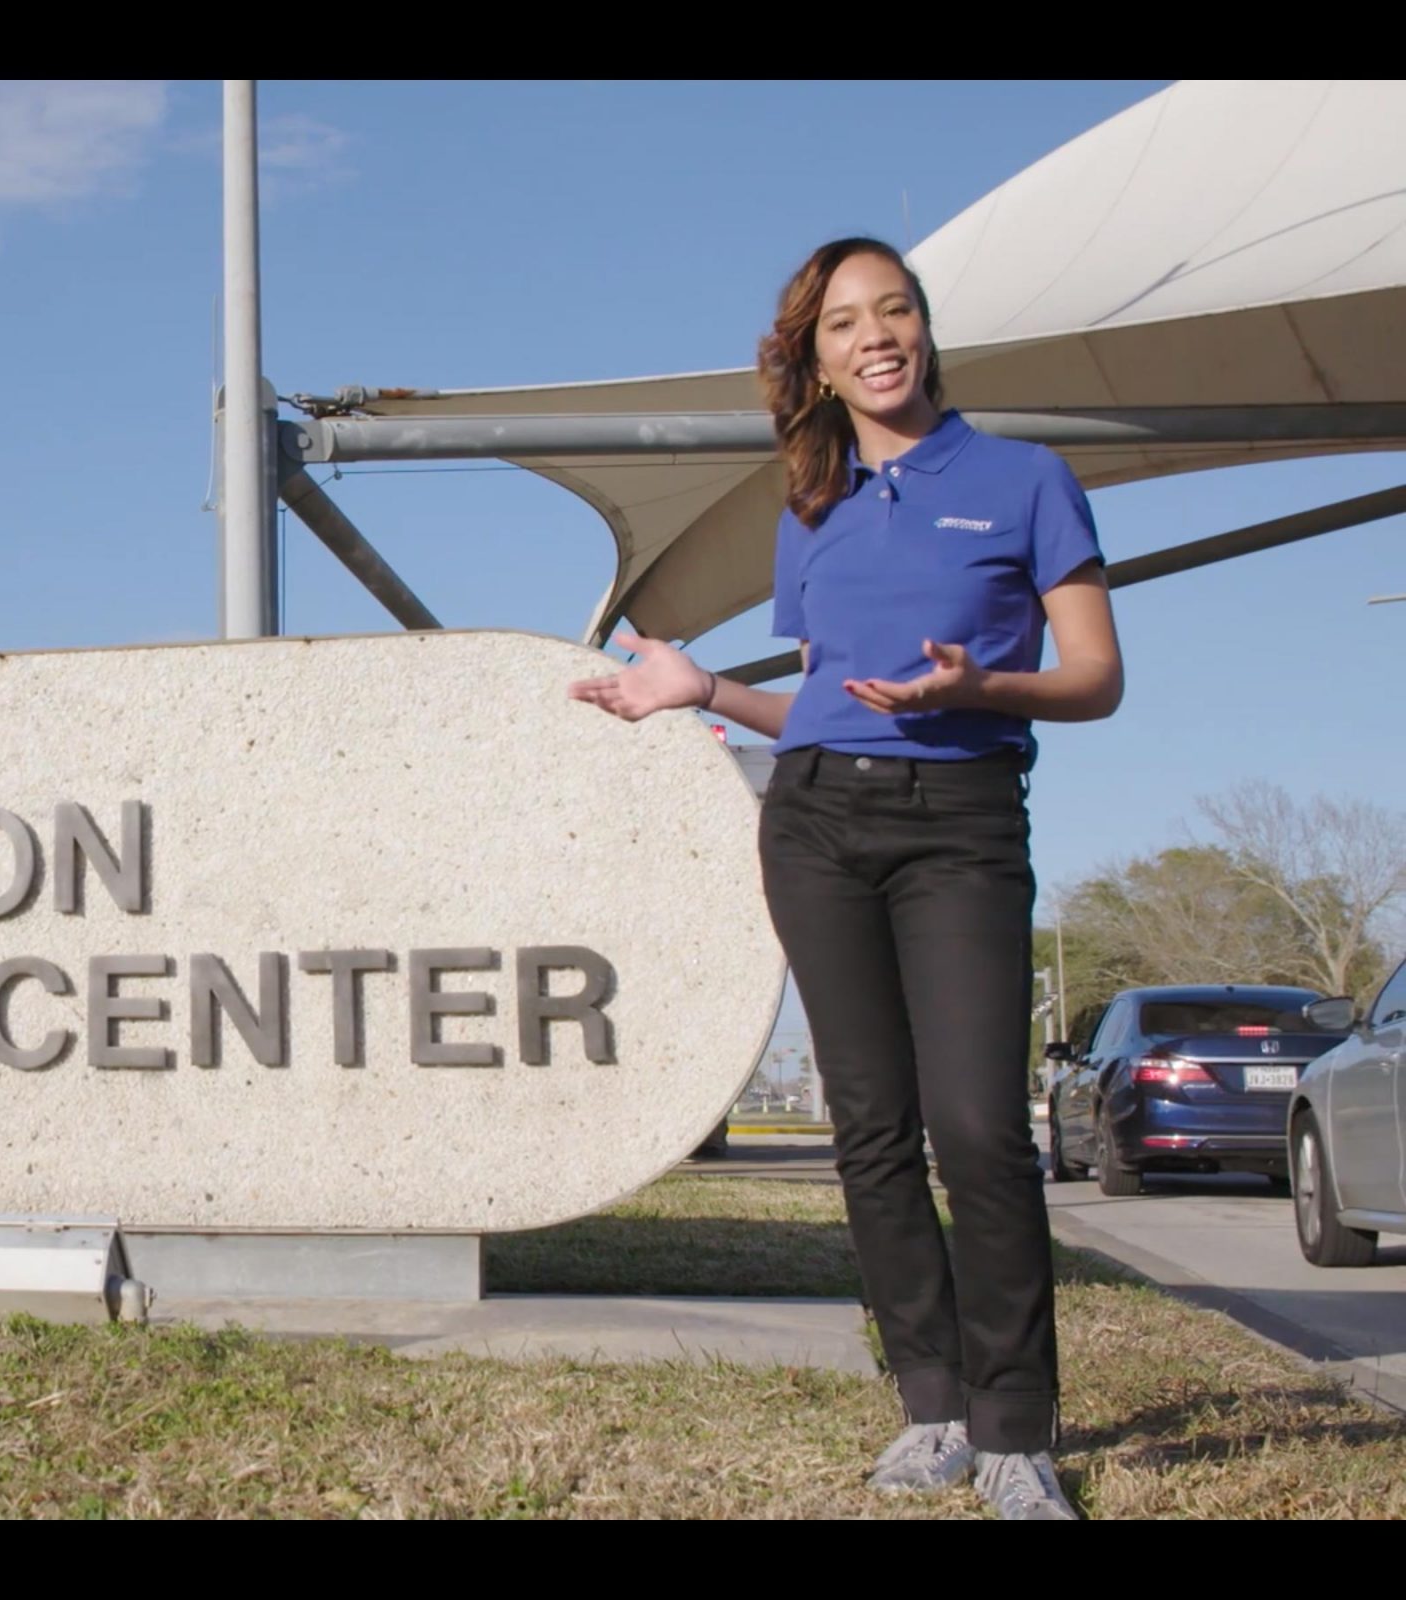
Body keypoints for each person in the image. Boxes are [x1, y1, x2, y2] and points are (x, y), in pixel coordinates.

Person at [568, 237, 1124, 1520]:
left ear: (924, 330)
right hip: (816, 820)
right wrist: (700, 689)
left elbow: (1095, 676)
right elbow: (826, 702)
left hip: (964, 819)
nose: (875, 336)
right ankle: (930, 1407)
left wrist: (979, 683)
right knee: (868, 1129)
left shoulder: (1025, 479)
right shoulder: (806, 506)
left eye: (895, 311)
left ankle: (1015, 1429)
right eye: (843, 324)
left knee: (979, 1126)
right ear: (813, 359)